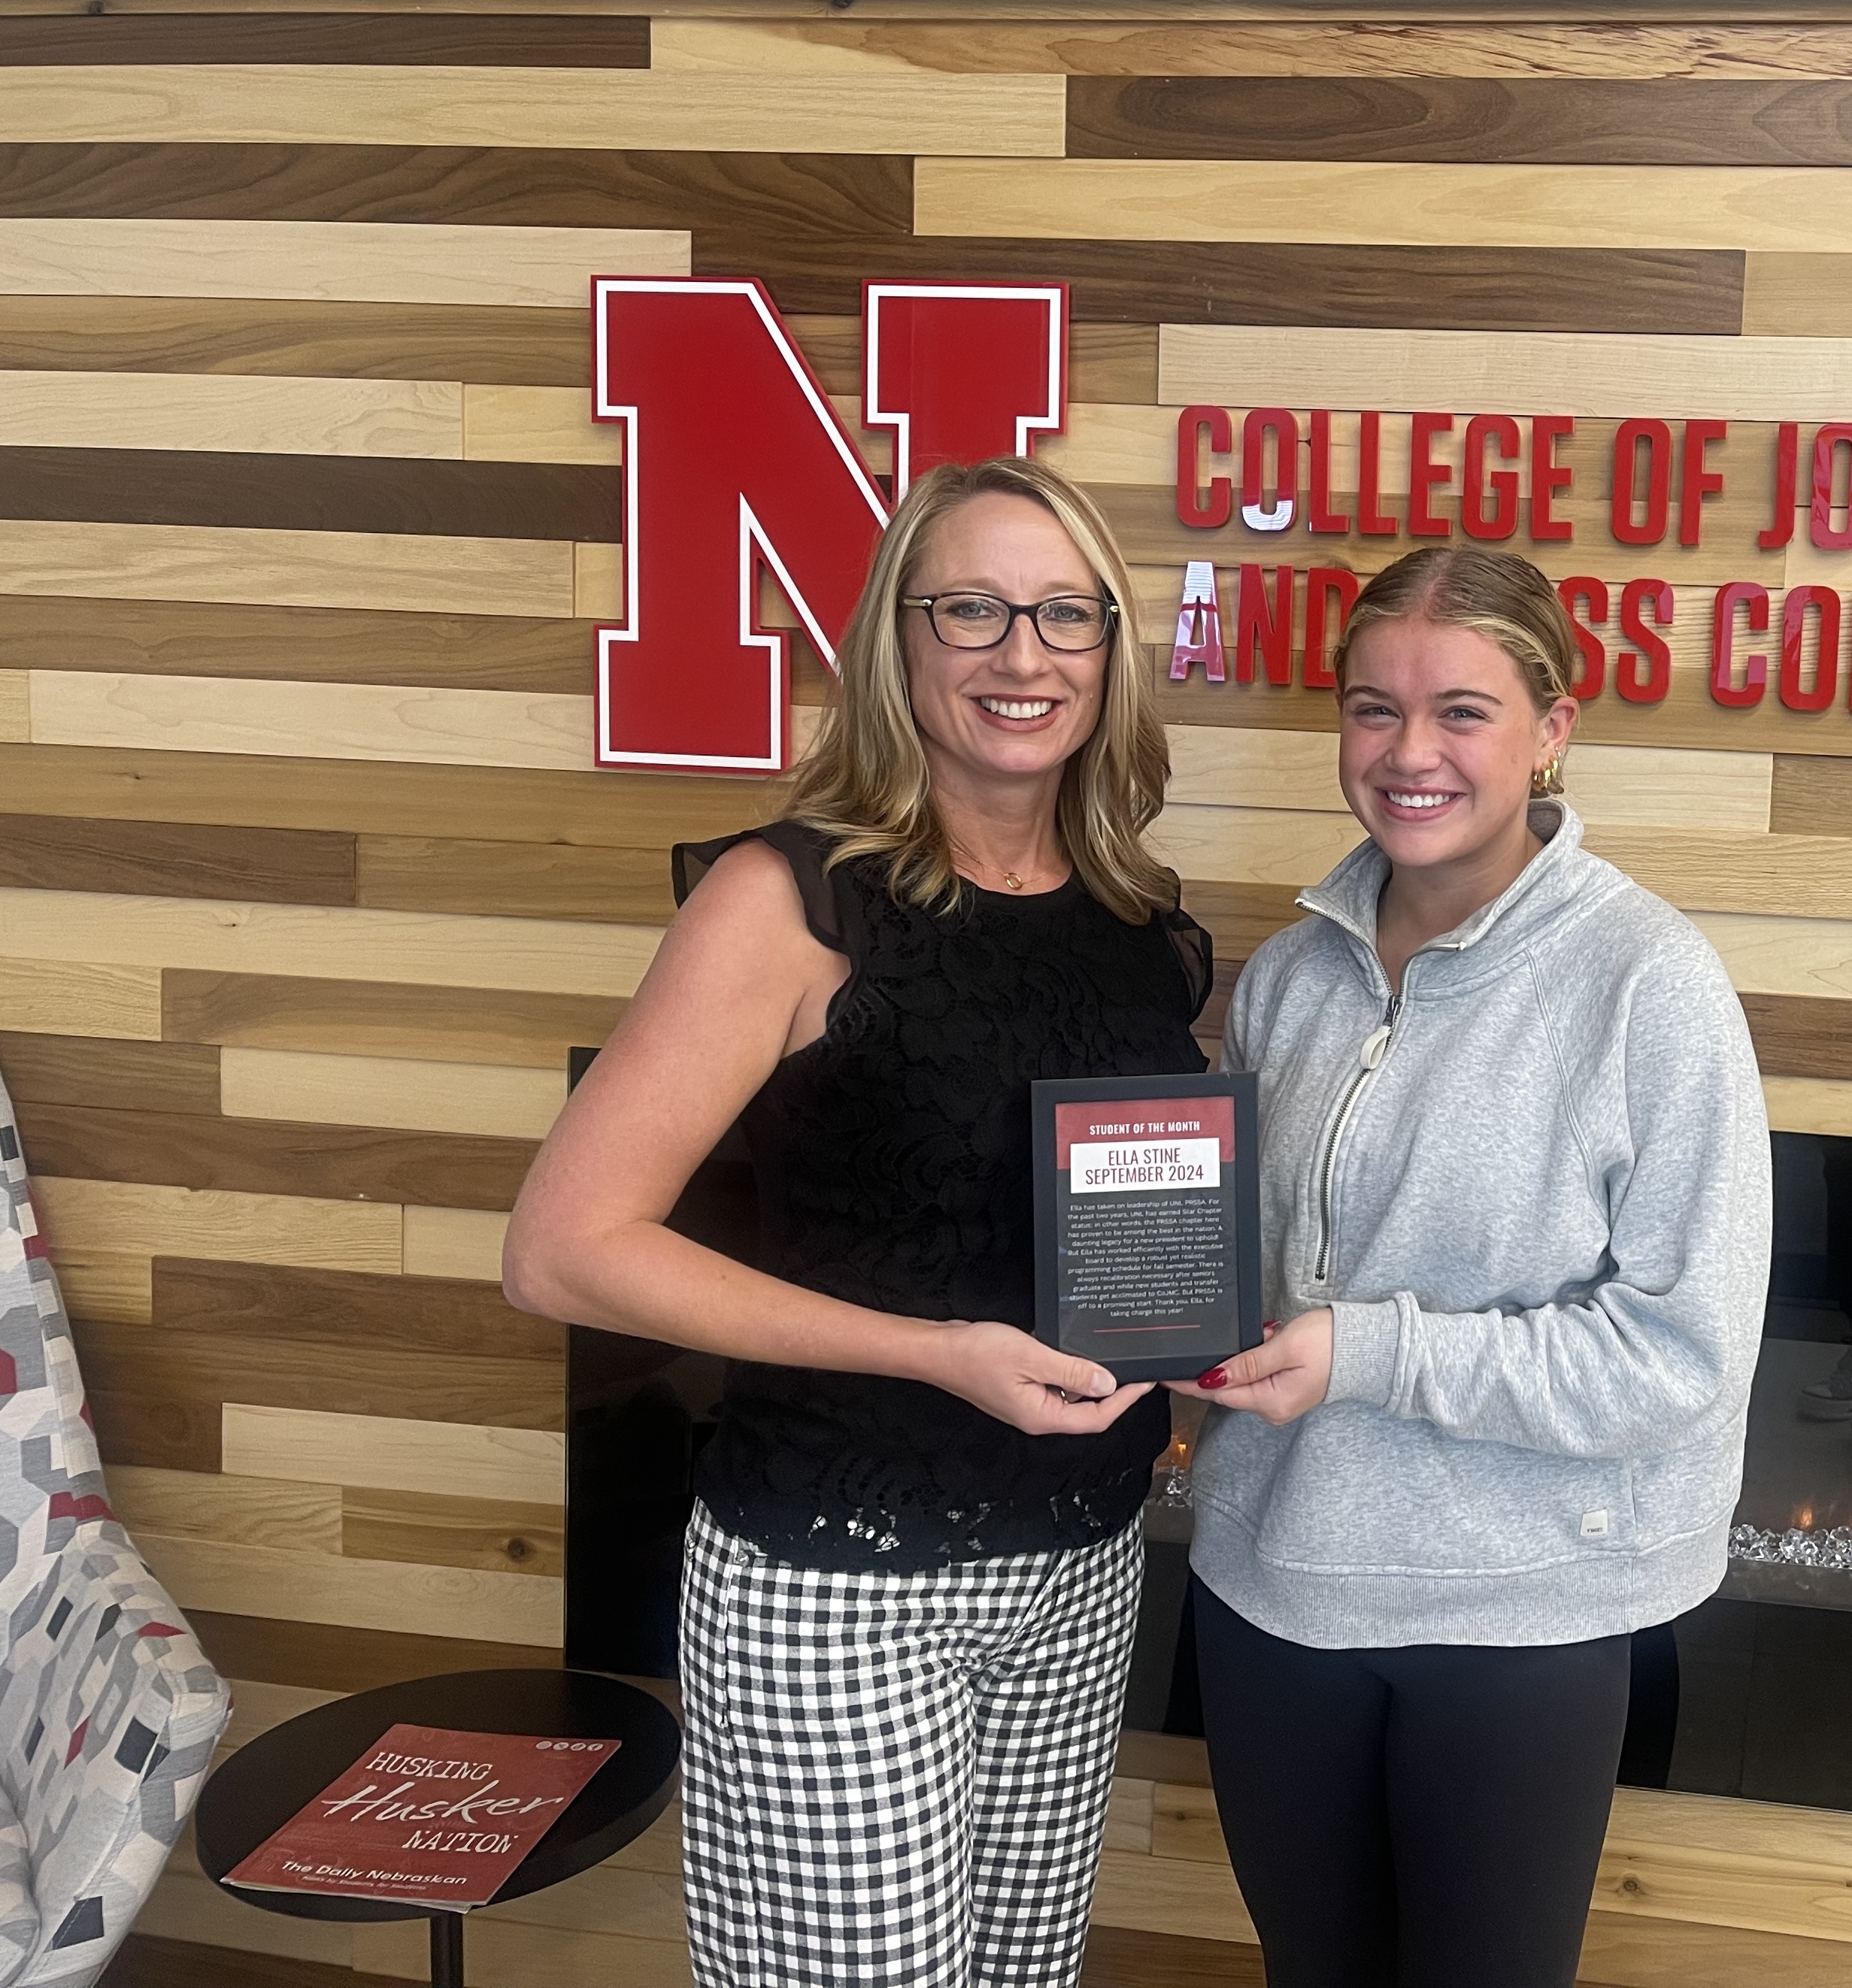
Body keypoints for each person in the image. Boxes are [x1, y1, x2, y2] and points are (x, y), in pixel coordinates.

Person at [502, 457, 1208, 1987]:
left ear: (1111, 651)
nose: (1023, 656)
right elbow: (563, 1245)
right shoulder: (786, 901)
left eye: (1064, 615)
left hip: (1080, 1568)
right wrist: (934, 1353)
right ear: (899, 643)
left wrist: (1197, 1345)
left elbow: (1118, 1223)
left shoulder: (1143, 925)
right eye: (973, 610)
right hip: (837, 1589)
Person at [1187, 546, 1773, 1988]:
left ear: (1553, 728)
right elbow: (1240, 1277)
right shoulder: (1289, 976)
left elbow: (1680, 1356)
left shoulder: (1650, 984)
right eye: (1372, 710)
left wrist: (1369, 1351)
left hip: (1521, 1618)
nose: (1409, 753)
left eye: (1462, 710)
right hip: (1277, 1591)